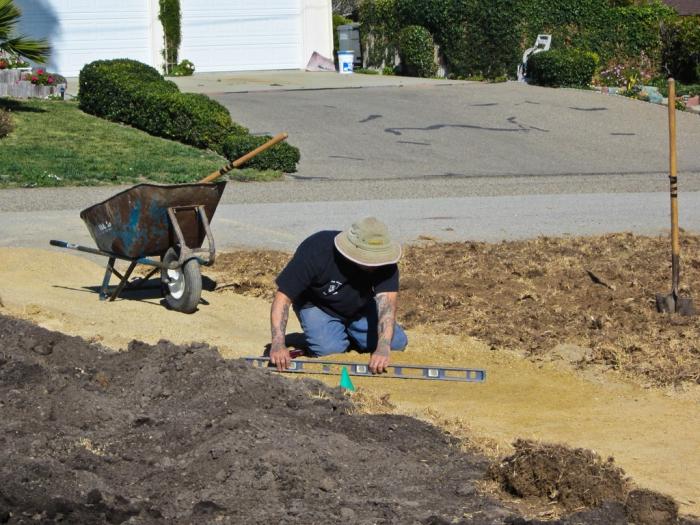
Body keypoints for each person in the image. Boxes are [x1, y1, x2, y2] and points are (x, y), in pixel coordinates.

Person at [269, 217, 408, 374]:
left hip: (359, 306)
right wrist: (278, 343)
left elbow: (387, 305)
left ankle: (348, 334)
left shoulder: (385, 263)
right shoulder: (316, 250)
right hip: (318, 305)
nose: (373, 264)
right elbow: (283, 298)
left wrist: (382, 347)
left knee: (396, 343)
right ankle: (329, 334)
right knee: (330, 350)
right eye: (368, 259)